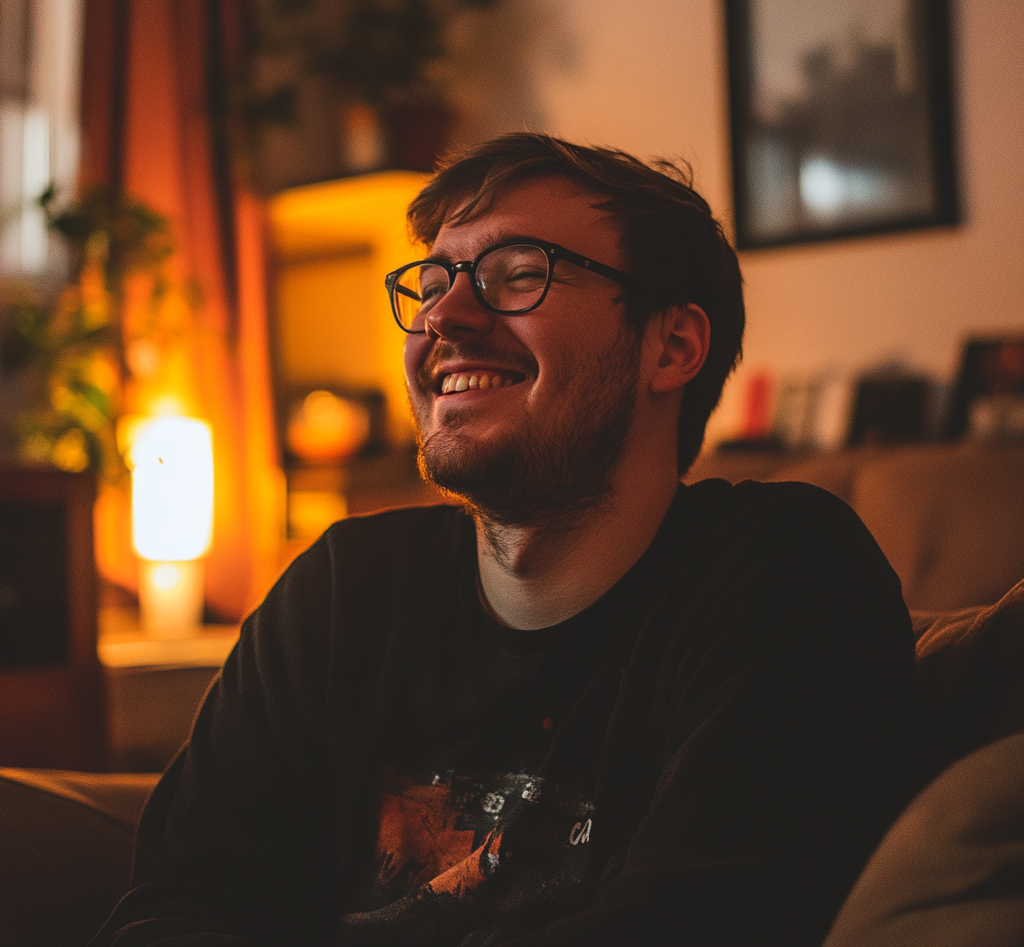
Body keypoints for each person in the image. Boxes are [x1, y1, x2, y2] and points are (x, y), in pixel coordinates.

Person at [94, 134, 914, 947]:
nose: (444, 317)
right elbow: (183, 907)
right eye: (433, 283)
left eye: (519, 274)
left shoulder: (785, 580)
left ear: (672, 346)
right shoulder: (343, 590)